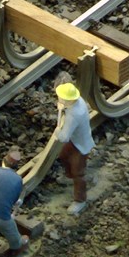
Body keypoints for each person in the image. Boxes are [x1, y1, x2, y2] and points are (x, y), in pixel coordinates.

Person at [54, 82, 95, 215]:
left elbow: (64, 137)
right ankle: (68, 175)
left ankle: (80, 200)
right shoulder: (78, 101)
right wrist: (62, 108)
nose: (58, 98)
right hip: (75, 139)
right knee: (63, 156)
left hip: (81, 145)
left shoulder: (74, 114)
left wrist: (57, 132)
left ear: (67, 100)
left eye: (60, 97)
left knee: (79, 173)